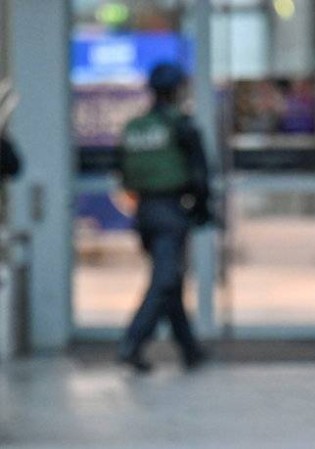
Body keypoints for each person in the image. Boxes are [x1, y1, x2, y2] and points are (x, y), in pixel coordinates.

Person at [117, 62, 211, 373]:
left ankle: (190, 350)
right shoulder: (180, 126)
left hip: (143, 211)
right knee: (166, 280)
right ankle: (132, 342)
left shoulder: (136, 127)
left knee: (169, 280)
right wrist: (201, 209)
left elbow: (122, 171)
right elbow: (200, 175)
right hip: (171, 210)